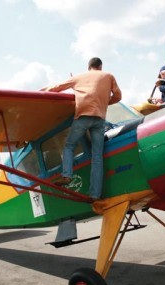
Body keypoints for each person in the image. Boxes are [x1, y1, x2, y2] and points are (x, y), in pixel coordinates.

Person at [43, 57, 122, 200]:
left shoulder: (78, 77)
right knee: (97, 157)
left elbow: (56, 88)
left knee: (69, 146)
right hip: (99, 120)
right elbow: (118, 96)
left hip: (83, 117)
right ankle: (95, 194)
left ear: (89, 67)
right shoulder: (108, 76)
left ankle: (67, 175)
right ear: (100, 66)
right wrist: (103, 103)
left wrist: (43, 91)